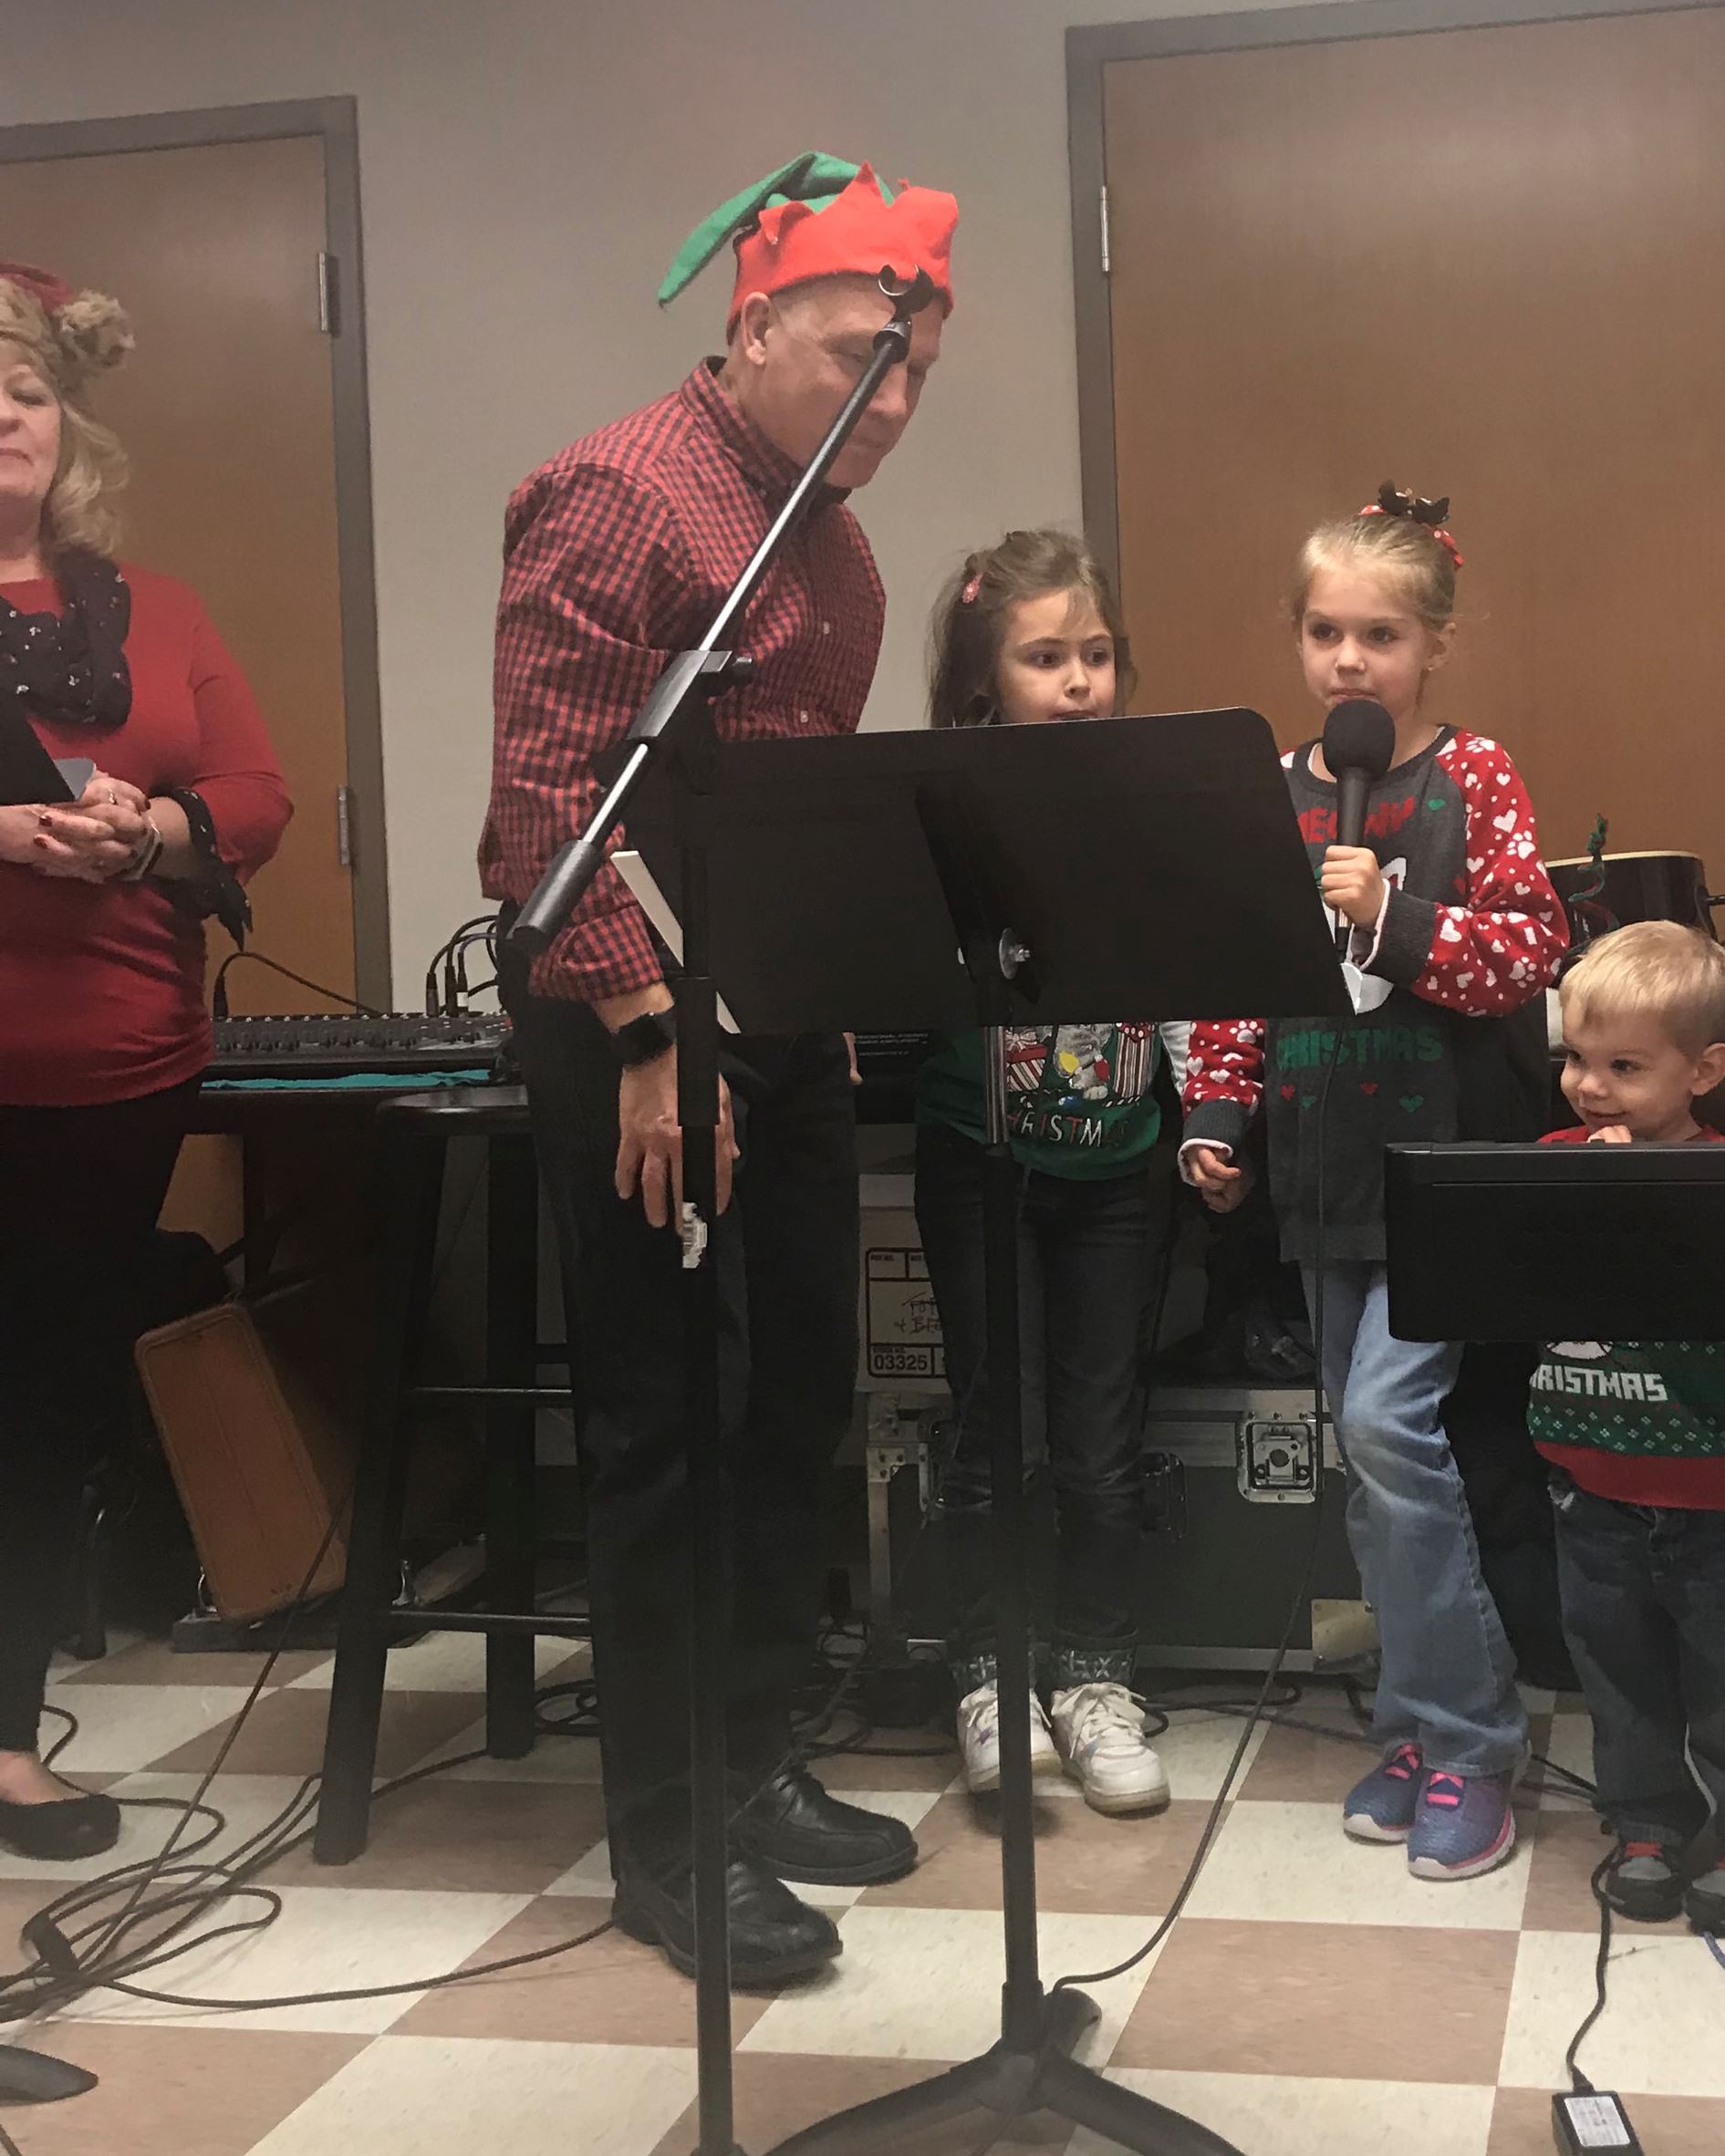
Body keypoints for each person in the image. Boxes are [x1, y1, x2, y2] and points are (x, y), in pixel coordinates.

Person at [477, 154, 955, 1986]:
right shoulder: (624, 492)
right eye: (855, 358)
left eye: (912, 376)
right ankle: (668, 1835)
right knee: (672, 1427)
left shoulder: (833, 549)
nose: (886, 405)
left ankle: (757, 1759)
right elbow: (547, 805)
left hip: (780, 1016)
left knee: (795, 1406)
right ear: (753, 327)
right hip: (629, 1021)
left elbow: (794, 828)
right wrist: (650, 1034)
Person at [1181, 484, 1564, 1881]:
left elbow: (1527, 952)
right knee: (1364, 1454)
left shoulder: (1480, 777)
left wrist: (1390, 916)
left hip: (1446, 1170)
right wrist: (1215, 1115)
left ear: (1434, 645)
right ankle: (1408, 1718)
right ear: (1299, 640)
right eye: (1327, 632)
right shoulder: (1274, 795)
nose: (1352, 661)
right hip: (1321, 1166)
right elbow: (1234, 972)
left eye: (1382, 634)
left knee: (1396, 1432)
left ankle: (1472, 1739)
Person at [0, 262, 289, 1861]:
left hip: (117, 1070)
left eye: (27, 395)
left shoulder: (155, 610)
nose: (4, 423)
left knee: (42, 1405)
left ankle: (3, 1736)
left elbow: (253, 793)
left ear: (69, 423)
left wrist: (153, 824)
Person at [913, 528, 1181, 1815]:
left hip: (1120, 1171)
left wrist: (1216, 1117)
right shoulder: (945, 811)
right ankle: (987, 1674)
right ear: (983, 683)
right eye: (1042, 659)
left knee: (1101, 1442)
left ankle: (1095, 1675)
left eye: (1095, 656)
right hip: (981, 1161)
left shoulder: (1150, 797)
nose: (1078, 682)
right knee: (992, 1438)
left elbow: (1203, 963)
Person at [1532, 924, 1725, 1936]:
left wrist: (1639, 1196)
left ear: (1702, 1070)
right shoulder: (1547, 1166)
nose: (1588, 1087)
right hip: (1589, 1476)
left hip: (1717, 1489)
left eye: (1622, 1066)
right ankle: (1645, 1820)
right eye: (1574, 1058)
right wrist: (1581, 1190)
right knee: (1618, 1671)